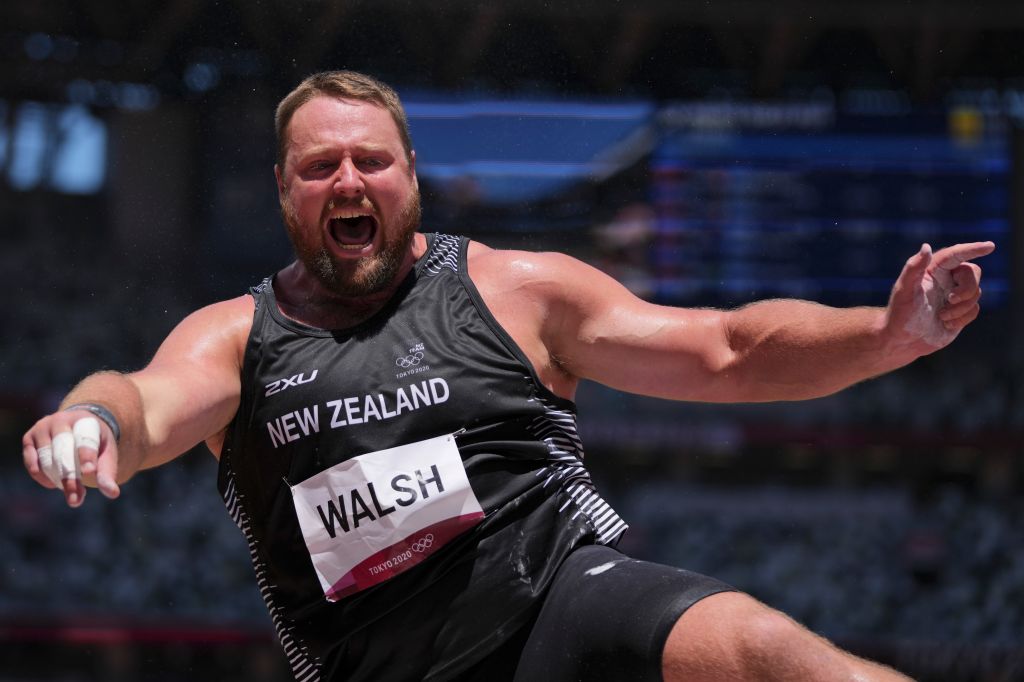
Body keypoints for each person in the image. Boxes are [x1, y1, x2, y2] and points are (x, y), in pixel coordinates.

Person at [22, 70, 993, 682]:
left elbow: (726, 346)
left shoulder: (516, 289)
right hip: (384, 663)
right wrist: (91, 419)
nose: (348, 182)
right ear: (283, 192)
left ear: (412, 173)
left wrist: (883, 331)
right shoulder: (236, 336)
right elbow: (143, 400)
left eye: (371, 159)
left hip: (560, 600)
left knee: (764, 650)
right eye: (319, 168)